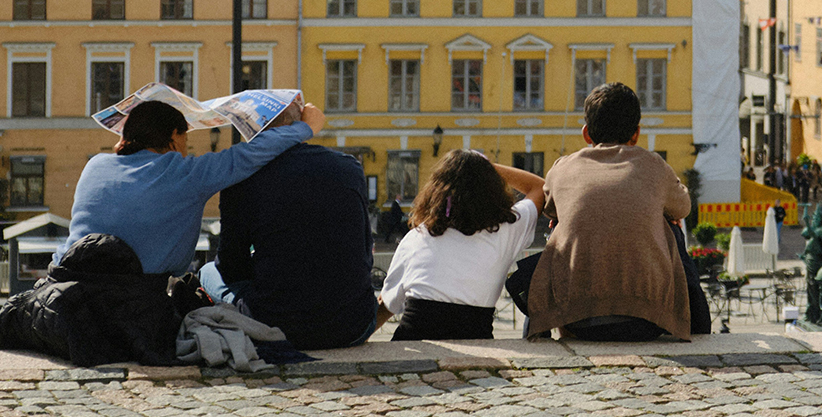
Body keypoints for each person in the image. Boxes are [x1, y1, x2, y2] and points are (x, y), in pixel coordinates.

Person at [55, 99, 322, 275]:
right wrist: (305, 127)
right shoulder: (185, 174)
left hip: (66, 285)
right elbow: (247, 155)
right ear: (173, 137)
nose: (186, 149)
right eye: (185, 139)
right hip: (132, 298)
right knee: (207, 275)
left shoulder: (95, 166)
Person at [525, 83, 698, 341]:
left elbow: (550, 209)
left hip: (576, 319)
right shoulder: (654, 165)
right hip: (648, 320)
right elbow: (683, 207)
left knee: (557, 229)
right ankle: (699, 321)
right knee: (671, 226)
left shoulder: (562, 168)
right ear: (636, 133)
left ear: (586, 133)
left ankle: (536, 330)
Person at [201, 112, 377, 351]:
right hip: (354, 326)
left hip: (279, 327)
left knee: (207, 271)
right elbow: (365, 252)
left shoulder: (242, 177)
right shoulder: (349, 166)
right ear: (299, 125)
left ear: (251, 130)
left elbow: (230, 266)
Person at [377, 150, 546, 340]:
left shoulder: (418, 236)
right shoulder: (509, 228)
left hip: (413, 338)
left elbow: (389, 304)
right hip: (478, 341)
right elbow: (540, 187)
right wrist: (484, 167)